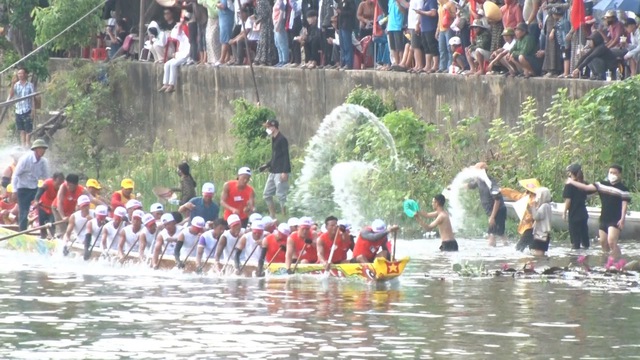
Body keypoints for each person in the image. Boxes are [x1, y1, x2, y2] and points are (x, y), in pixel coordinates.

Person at [567, 165, 630, 259]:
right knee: (603, 243)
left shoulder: (623, 189)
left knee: (611, 241)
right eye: (610, 172)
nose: (612, 174)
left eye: (614, 173)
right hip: (604, 218)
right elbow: (586, 187)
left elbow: (624, 205)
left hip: (615, 219)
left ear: (619, 174)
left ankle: (618, 261)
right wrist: (572, 182)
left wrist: (622, 219)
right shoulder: (601, 184)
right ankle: (607, 262)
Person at [11, 139, 50, 231]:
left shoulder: (43, 162)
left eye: (44, 149)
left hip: (35, 188)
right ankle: (22, 231)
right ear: (36, 149)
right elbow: (16, 175)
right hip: (23, 188)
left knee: (42, 208)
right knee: (24, 211)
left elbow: (46, 178)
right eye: (41, 149)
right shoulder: (25, 159)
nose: (43, 151)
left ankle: (42, 230)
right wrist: (14, 191)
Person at [467, 162, 507, 247]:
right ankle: (507, 249)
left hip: (498, 210)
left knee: (491, 234)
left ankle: (491, 255)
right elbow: (469, 185)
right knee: (500, 233)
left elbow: (497, 200)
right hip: (494, 211)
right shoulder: (479, 180)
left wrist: (492, 217)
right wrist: (454, 187)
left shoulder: (491, 182)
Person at [259, 119, 291, 218]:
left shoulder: (282, 139)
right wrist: (267, 165)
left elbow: (286, 156)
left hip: (281, 171)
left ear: (274, 127)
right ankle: (272, 216)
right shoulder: (273, 138)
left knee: (281, 195)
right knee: (267, 194)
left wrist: (285, 171)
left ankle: (284, 216)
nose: (267, 129)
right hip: (273, 171)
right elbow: (275, 157)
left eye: (268, 127)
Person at [501, 178, 540, 251]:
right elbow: (514, 194)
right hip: (528, 227)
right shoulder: (526, 196)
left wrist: (528, 218)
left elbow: (534, 215)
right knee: (531, 249)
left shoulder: (535, 200)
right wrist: (502, 190)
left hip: (530, 228)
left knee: (518, 249)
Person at [158, 19, 190, 92]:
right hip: (179, 56)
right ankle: (165, 83)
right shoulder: (181, 38)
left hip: (184, 57)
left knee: (173, 64)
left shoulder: (187, 38)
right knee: (166, 64)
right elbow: (174, 35)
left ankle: (172, 85)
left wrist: (176, 54)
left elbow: (187, 53)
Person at [563, 163, 590, 249]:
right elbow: (590, 194)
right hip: (583, 213)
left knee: (575, 241)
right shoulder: (584, 183)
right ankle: (586, 258)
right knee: (585, 237)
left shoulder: (569, 185)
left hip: (574, 214)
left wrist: (564, 212)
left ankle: (575, 261)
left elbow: (568, 200)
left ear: (571, 173)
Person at [9, 67, 36, 147]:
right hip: (18, 110)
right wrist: (12, 84)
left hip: (27, 110)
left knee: (28, 130)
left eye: (22, 73)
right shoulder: (16, 85)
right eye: (19, 73)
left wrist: (33, 110)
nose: (20, 75)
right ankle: (23, 146)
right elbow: (11, 94)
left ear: (25, 74)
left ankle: (28, 145)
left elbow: (33, 98)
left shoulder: (30, 85)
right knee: (22, 130)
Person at [35, 172, 64, 239]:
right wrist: (36, 200)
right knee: (42, 225)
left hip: (53, 209)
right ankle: (43, 237)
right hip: (43, 206)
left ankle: (52, 237)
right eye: (58, 183)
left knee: (52, 224)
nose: (59, 186)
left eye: (61, 184)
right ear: (53, 180)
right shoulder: (47, 183)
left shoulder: (63, 187)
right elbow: (39, 192)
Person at [415, 0, 439, 73]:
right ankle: (427, 65)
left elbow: (433, 13)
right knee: (426, 47)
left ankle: (435, 65)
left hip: (430, 27)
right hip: (424, 28)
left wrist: (421, 12)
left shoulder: (432, 1)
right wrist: (418, 23)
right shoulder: (425, 2)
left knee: (432, 46)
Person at [530, 187, 552, 256]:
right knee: (540, 252)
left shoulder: (544, 206)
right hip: (544, 233)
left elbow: (536, 217)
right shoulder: (548, 205)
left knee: (538, 253)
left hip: (541, 233)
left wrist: (533, 207)